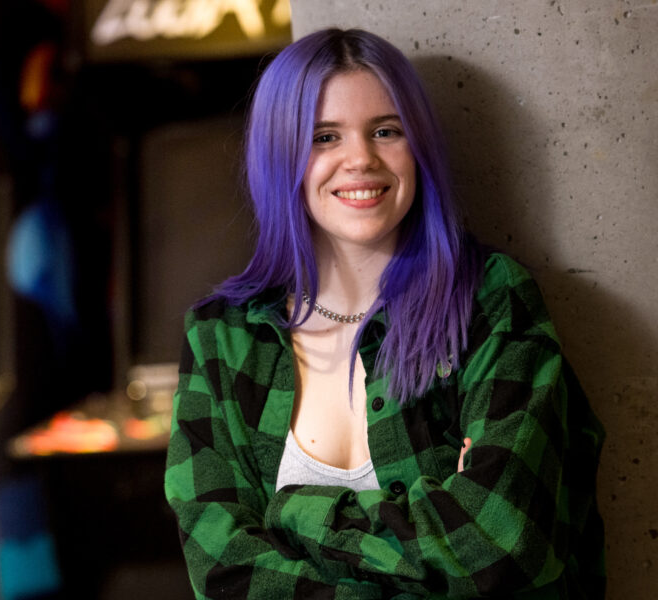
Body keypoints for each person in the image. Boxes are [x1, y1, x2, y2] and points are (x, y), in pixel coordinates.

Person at [164, 28, 605, 599]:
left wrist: (293, 513)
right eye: (325, 137)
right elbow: (223, 575)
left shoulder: (492, 302)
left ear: (418, 146)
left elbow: (501, 544)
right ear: (279, 153)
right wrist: (434, 529)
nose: (361, 159)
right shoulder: (219, 338)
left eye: (386, 131)